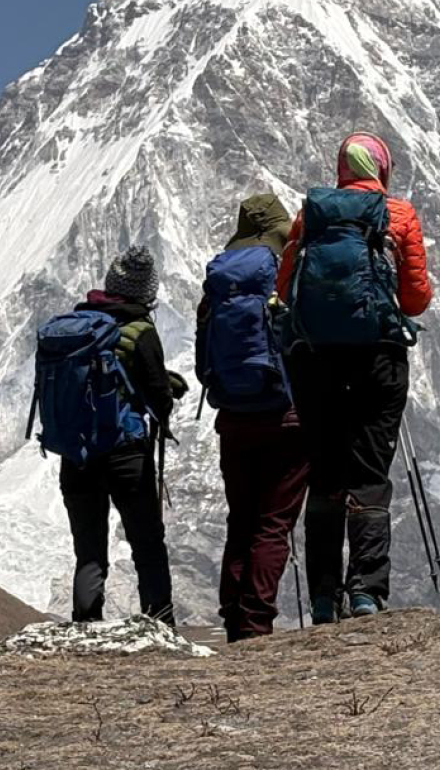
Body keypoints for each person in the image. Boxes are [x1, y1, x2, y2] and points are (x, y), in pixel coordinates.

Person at [277, 133, 433, 622]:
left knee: (324, 475)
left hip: (316, 360)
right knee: (368, 473)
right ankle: (366, 590)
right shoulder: (399, 215)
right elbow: (415, 300)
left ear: (342, 167)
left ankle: (324, 595)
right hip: (378, 360)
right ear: (382, 168)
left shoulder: (311, 215)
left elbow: (285, 288)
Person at [196, 194, 309, 642]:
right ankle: (257, 620)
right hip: (284, 416)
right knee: (273, 524)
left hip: (234, 418)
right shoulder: (282, 274)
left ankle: (233, 615)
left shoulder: (219, 284)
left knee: (240, 519)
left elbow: (204, 353)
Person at [58, 245, 177, 625]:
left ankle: (85, 624)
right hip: (126, 453)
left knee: (89, 550)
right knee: (147, 544)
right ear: (147, 292)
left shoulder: (76, 328)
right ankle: (160, 621)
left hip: (77, 455)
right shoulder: (140, 331)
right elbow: (159, 398)